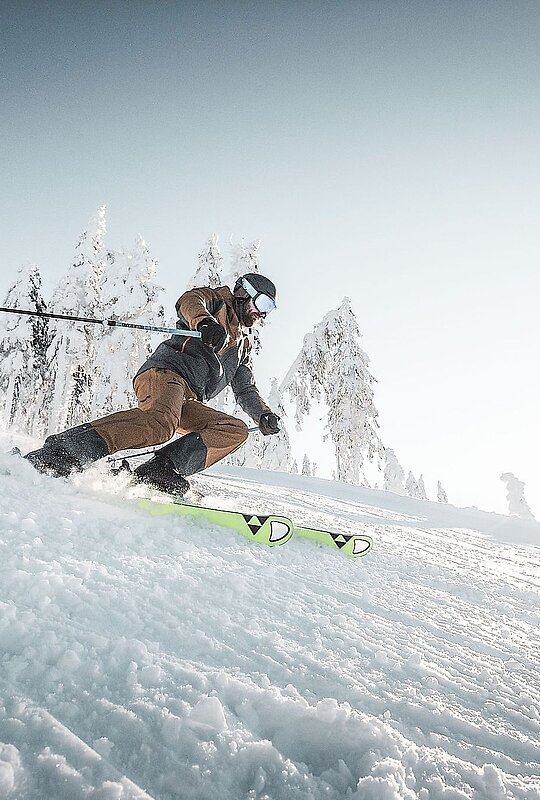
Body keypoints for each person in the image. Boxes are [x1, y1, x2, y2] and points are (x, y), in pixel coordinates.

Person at [25, 273, 281, 496]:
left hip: (188, 397)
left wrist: (263, 414)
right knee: (159, 425)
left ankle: (160, 470)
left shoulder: (242, 346)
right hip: (167, 373)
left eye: (270, 309)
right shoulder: (217, 302)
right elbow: (189, 300)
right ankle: (60, 453)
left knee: (234, 429)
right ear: (242, 293)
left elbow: (245, 388)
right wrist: (204, 322)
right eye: (262, 303)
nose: (263, 313)